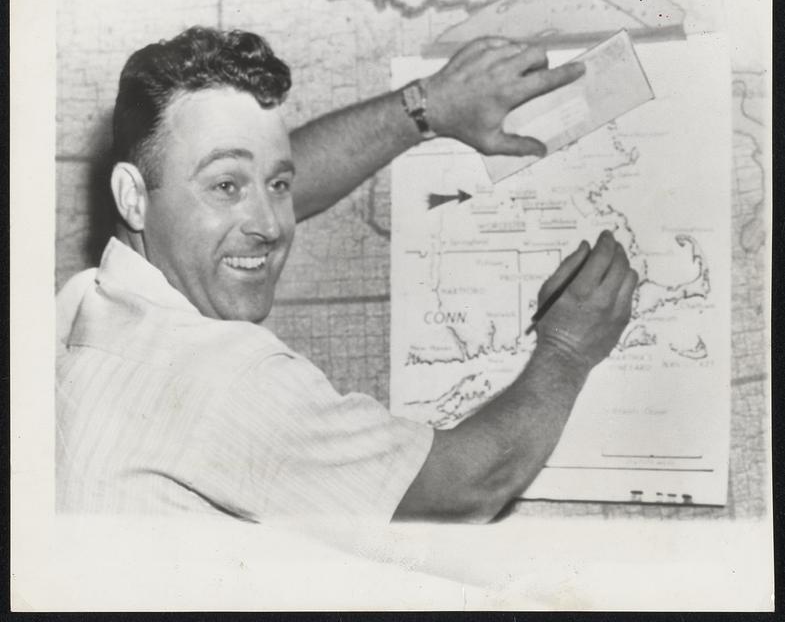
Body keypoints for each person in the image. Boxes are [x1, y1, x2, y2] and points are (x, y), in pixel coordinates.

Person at [56, 26, 637, 523]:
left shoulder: (80, 308)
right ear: (133, 196)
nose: (268, 224)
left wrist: (428, 106)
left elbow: (249, 194)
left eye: (277, 186)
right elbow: (468, 489)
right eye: (225, 186)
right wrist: (566, 348)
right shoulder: (229, 380)